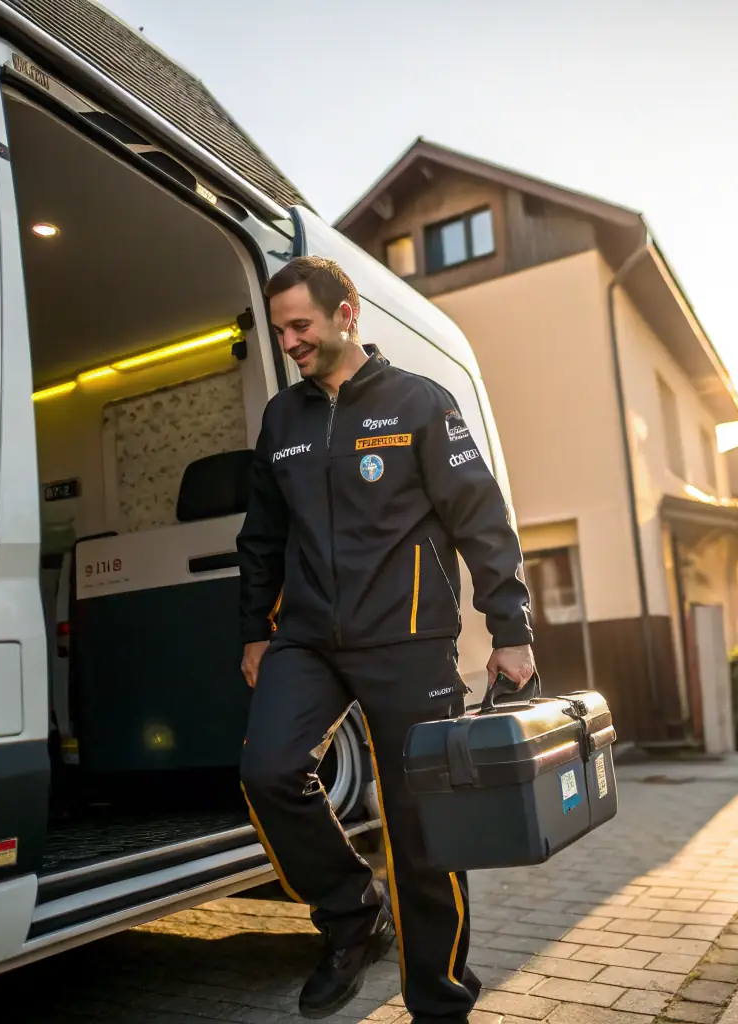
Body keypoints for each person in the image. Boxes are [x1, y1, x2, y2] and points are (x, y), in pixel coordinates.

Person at [236, 256, 536, 1024]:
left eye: (300, 326)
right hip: (307, 638)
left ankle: (438, 1001)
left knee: (421, 826)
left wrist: (510, 630)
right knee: (269, 772)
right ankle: (350, 912)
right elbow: (261, 537)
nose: (289, 342)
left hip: (407, 640)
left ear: (346, 314)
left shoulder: (420, 402)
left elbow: (482, 521)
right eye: (279, 330)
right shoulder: (282, 419)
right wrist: (254, 631)